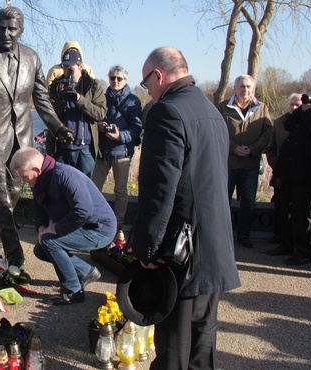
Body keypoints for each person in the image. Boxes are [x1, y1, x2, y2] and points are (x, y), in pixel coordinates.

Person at [130, 46, 240, 369]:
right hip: (213, 247)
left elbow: (159, 189)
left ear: (158, 76)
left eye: (145, 83)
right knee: (202, 346)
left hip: (182, 252)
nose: (147, 91)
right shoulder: (212, 111)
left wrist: (146, 248)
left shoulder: (166, 112)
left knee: (173, 349)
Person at [0, 7, 74, 265]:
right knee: (1, 198)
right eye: (1, 27)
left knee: (13, 194)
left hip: (22, 139)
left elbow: (42, 99)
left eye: (12, 29)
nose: (6, 33)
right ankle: (15, 258)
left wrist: (58, 128)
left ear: (21, 30)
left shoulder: (32, 58)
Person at [10, 147, 117, 305]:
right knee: (41, 249)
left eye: (24, 176)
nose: (24, 181)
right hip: (82, 226)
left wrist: (54, 229)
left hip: (99, 229)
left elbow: (84, 211)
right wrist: (41, 227)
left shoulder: (64, 175)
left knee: (49, 242)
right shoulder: (40, 180)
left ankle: (73, 290)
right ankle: (86, 272)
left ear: (36, 169)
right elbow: (39, 207)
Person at [218, 74, 273, 249]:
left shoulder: (262, 108)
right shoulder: (223, 107)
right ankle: (221, 236)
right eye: (242, 86)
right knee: (222, 200)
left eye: (249, 86)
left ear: (253, 88)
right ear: (235, 88)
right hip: (228, 164)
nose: (245, 90)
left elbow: (267, 133)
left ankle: (243, 235)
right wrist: (233, 148)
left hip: (250, 164)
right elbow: (218, 131)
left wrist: (253, 149)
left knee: (248, 201)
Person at [91, 65, 143, 228]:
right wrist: (100, 125)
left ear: (125, 80)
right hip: (103, 152)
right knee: (93, 188)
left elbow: (136, 128)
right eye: (112, 77)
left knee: (120, 191)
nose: (115, 81)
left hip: (122, 153)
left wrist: (120, 135)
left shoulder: (133, 101)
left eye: (119, 78)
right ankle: (95, 220)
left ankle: (117, 224)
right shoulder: (102, 98)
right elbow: (95, 116)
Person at [46, 48, 106, 177]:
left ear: (80, 66)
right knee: (61, 188)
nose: (67, 70)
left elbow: (100, 113)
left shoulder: (93, 85)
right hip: (62, 148)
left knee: (83, 190)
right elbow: (49, 115)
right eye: (64, 66)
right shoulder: (56, 85)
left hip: (85, 150)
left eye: (71, 67)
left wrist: (79, 99)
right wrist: (62, 97)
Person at [272, 93, 311, 265]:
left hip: (304, 175)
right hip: (288, 172)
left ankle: (303, 251)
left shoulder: (310, 117)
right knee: (285, 210)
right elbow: (288, 125)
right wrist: (301, 110)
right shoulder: (303, 115)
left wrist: (308, 112)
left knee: (300, 213)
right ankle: (286, 244)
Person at [265, 93, 302, 250]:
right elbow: (271, 148)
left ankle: (298, 242)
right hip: (281, 174)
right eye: (292, 104)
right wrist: (276, 165)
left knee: (299, 212)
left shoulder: (308, 123)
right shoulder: (279, 122)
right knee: (281, 207)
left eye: (297, 105)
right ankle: (282, 239)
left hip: (302, 176)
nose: (293, 107)